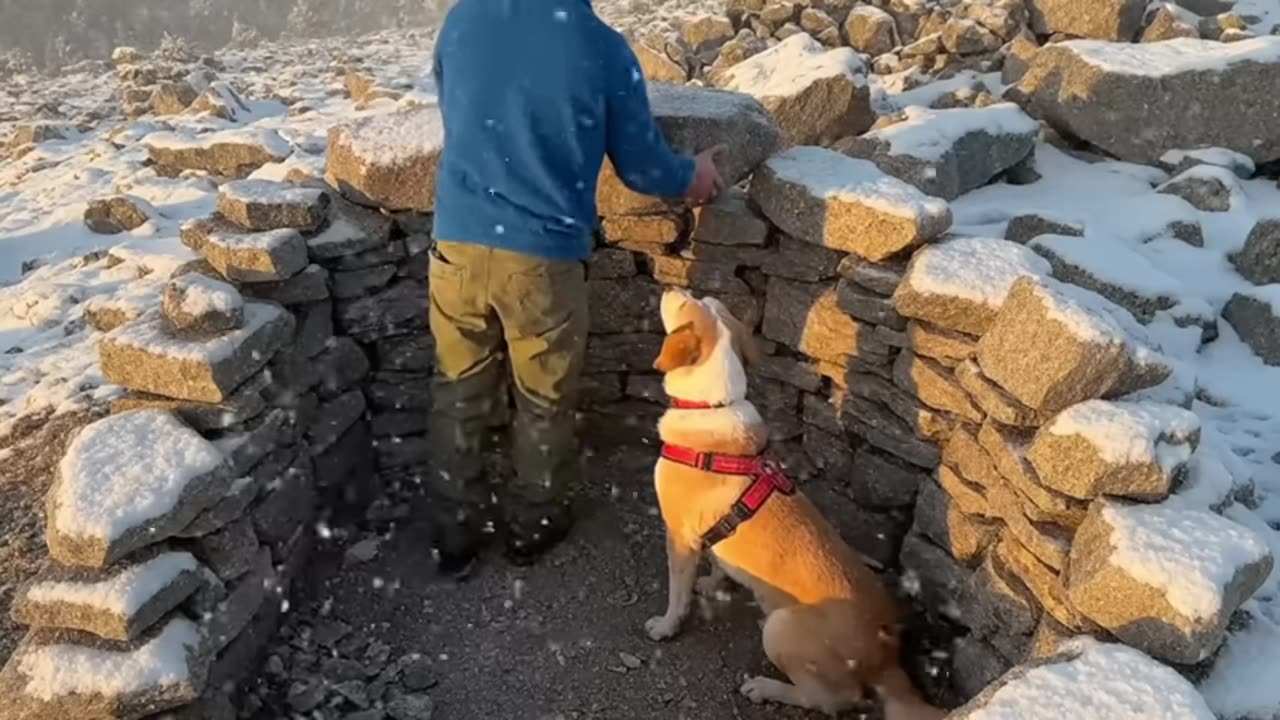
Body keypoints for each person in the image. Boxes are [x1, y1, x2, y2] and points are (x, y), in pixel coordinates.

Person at [428, 0, 726, 574]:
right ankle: (533, 523)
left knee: (456, 392)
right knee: (542, 398)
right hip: (540, 256)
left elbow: (457, 111)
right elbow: (641, 167)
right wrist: (695, 176)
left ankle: (454, 532)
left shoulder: (464, 18)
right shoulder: (603, 47)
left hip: (456, 244)